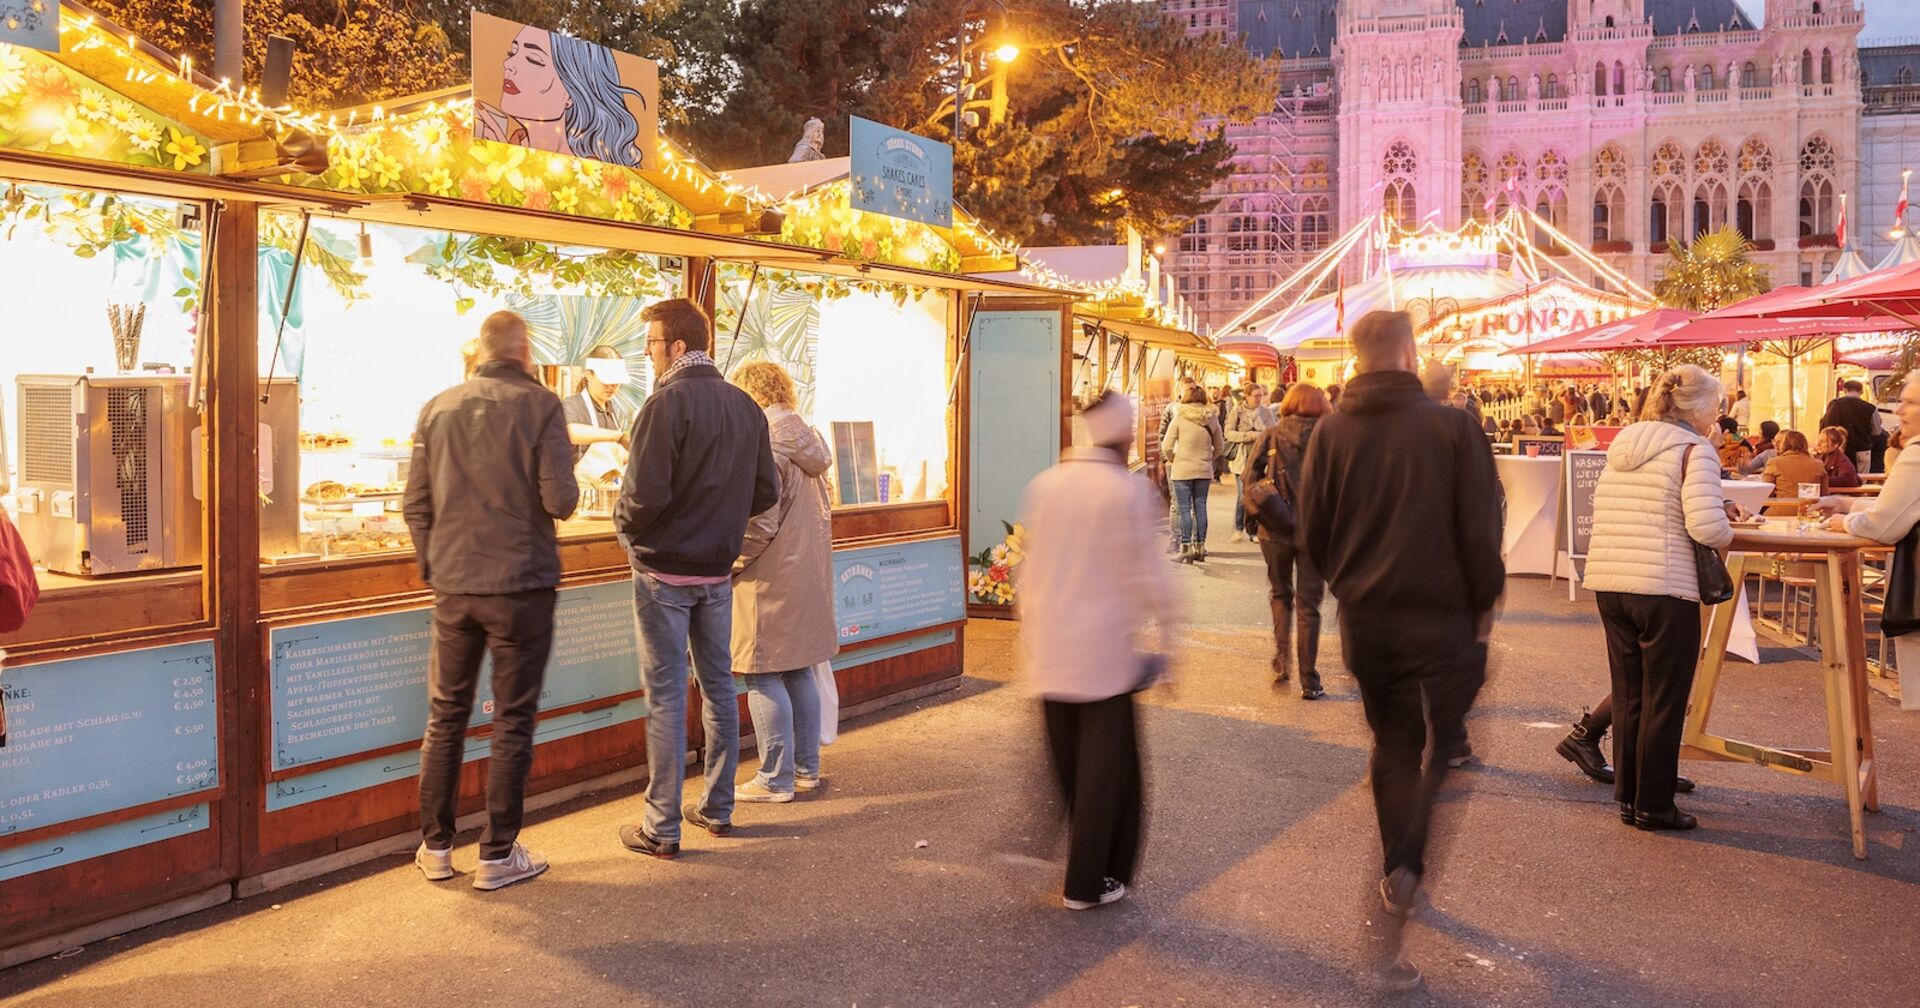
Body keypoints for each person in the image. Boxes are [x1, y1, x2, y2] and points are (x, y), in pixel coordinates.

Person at [1298, 311, 1502, 992]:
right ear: (1410, 353)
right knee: (1441, 747)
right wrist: (1483, 607)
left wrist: (1349, 585)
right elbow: (1480, 527)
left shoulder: (1330, 430)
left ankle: (1397, 868)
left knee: (1391, 744)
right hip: (1445, 618)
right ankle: (1409, 860)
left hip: (1369, 620)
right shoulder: (1452, 427)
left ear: (1356, 357)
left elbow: (1314, 531)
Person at [404, 310, 580, 891]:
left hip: (455, 585)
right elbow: (560, 502)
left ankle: (434, 848)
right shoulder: (542, 406)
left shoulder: (436, 406)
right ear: (524, 350)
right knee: (512, 720)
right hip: (521, 583)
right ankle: (498, 853)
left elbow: (416, 504)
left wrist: (438, 567)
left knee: (446, 716)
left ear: (480, 351)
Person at [613, 298, 780, 859]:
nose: (647, 353)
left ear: (677, 347)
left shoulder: (664, 405)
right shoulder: (744, 406)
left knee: (664, 699)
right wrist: (722, 525)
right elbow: (765, 493)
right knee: (719, 690)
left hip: (662, 571)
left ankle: (661, 827)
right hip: (716, 572)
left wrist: (626, 532)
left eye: (653, 344)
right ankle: (718, 807)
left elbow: (642, 498)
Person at [1017, 391, 1177, 911]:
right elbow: (1148, 575)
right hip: (1103, 652)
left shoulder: (1046, 485)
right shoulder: (1126, 493)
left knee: (1068, 763)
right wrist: (1171, 641)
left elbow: (1029, 562)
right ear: (1124, 435)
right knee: (1106, 775)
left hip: (1048, 645)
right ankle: (1088, 882)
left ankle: (1085, 872)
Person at [1583, 364, 1737, 833]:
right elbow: (1706, 528)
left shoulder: (1624, 445)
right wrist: (1730, 525)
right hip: (1664, 585)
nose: (1719, 413)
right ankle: (1654, 804)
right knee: (1665, 698)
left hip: (1613, 583)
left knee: (1631, 694)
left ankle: (1631, 795)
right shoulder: (1696, 450)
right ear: (1697, 406)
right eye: (1716, 403)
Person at [728, 362, 837, 802]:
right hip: (805, 575)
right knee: (797, 671)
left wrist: (730, 561)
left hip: (769, 579)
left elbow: (759, 522)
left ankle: (774, 778)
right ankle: (806, 769)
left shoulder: (767, 445)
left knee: (761, 673)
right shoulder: (806, 442)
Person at [1816, 375, 1920, 709]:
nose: (1899, 409)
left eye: (1910, 402)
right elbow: (1905, 508)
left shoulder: (1916, 456)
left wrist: (1844, 520)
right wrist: (1852, 504)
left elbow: (1883, 525)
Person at [1248, 383, 1329, 698]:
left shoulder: (1271, 434)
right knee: (1309, 605)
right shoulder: (1328, 438)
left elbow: (1248, 478)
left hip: (1275, 528)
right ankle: (1310, 681)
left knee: (1279, 594)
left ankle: (1282, 662)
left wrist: (1257, 516)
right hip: (1314, 532)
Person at [474, 24, 648, 168]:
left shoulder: (592, 172)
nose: (508, 64)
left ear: (572, 92)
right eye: (512, 53)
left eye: (533, 59)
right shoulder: (504, 138)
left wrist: (503, 163)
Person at [1161, 384, 1224, 563]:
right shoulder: (1212, 418)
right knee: (1201, 507)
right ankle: (1201, 547)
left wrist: (1175, 459)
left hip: (1182, 470)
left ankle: (1186, 548)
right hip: (1203, 470)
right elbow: (1220, 447)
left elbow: (1166, 445)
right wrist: (1208, 458)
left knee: (1184, 509)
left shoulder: (1179, 417)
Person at [564, 345, 632, 463]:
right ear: (589, 375)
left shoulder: (610, 409)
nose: (611, 387)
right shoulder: (573, 404)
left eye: (616, 382)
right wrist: (617, 436)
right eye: (606, 381)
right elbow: (569, 432)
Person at [1225, 384, 1274, 543]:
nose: (1259, 399)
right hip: (1242, 458)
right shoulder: (1237, 412)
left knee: (1257, 495)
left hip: (1260, 460)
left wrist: (1261, 435)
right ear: (1246, 396)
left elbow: (1273, 431)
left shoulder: (1266, 412)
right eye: (1255, 395)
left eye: (1261, 395)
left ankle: (1253, 530)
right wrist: (1248, 435)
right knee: (1242, 495)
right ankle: (1238, 528)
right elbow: (1229, 433)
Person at [1820, 379, 1879, 474]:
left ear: (1844, 390)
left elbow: (1826, 426)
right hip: (1863, 449)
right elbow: (1876, 431)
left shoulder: (1835, 404)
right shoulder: (1870, 408)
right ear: (1861, 391)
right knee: (1861, 482)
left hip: (1840, 450)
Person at [1759, 430, 1826, 513]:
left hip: (1780, 512)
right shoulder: (1819, 464)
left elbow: (1765, 492)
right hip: (1810, 513)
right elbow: (1824, 494)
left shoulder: (1774, 462)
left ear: (1784, 444)